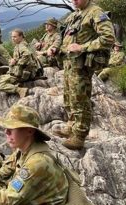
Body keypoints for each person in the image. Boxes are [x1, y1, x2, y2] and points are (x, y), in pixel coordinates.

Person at [53, 0, 115, 149]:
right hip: (70, 64)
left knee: (80, 99)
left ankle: (79, 135)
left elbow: (108, 38)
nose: (74, 1)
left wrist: (82, 47)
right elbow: (65, 37)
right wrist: (56, 49)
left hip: (82, 65)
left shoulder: (95, 12)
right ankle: (71, 126)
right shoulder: (75, 15)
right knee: (69, 97)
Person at [0, 29, 37, 98]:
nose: (13, 39)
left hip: (23, 74)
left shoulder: (21, 46)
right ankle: (17, 84)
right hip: (26, 72)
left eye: (15, 37)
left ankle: (20, 90)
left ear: (21, 37)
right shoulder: (22, 44)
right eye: (12, 37)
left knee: (0, 85)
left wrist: (16, 62)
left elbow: (27, 54)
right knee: (0, 77)